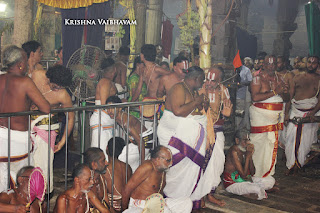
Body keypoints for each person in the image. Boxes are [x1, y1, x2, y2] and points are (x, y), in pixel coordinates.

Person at [158, 66, 216, 210]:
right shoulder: (178, 88)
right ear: (195, 79)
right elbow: (178, 111)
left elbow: (192, 111)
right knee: (175, 168)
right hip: (173, 135)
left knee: (191, 167)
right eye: (202, 80)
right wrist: (196, 102)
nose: (203, 83)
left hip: (185, 134)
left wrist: (202, 104)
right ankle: (173, 197)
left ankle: (188, 198)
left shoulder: (191, 90)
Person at [0, 46, 50, 193]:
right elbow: (46, 107)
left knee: (2, 178)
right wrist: (28, 105)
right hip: (18, 139)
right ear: (20, 64)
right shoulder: (24, 81)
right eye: (25, 61)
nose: (28, 64)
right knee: (22, 180)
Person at [30, 65, 74, 194]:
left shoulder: (63, 95)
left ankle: (41, 193)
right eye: (55, 85)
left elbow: (71, 118)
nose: (57, 89)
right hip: (26, 126)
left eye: (60, 87)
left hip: (46, 130)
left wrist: (62, 141)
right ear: (50, 77)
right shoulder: (37, 75)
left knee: (43, 165)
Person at [250, 55, 289, 182]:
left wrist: (284, 91)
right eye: (268, 64)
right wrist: (275, 92)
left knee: (271, 146)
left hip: (274, 119)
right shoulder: (257, 79)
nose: (271, 66)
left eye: (274, 64)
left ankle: (267, 178)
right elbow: (255, 98)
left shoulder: (280, 78)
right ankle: (257, 176)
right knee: (259, 145)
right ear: (264, 65)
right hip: (260, 117)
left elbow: (287, 98)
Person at [198, 66, 233, 207]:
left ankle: (210, 193)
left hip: (218, 131)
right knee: (201, 163)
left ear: (220, 81)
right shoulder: (199, 88)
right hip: (202, 131)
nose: (209, 83)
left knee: (217, 162)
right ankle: (199, 195)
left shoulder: (223, 90)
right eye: (207, 79)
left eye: (213, 81)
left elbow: (226, 111)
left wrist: (226, 114)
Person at [122, 145, 192, 213]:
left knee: (186, 202)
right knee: (166, 210)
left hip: (156, 204)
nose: (171, 163)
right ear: (158, 159)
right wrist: (124, 209)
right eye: (168, 160)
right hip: (140, 206)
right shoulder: (147, 167)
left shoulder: (162, 170)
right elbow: (127, 189)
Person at [284, 56, 320, 175]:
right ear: (306, 63)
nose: (311, 65)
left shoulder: (319, 79)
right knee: (290, 138)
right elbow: (289, 98)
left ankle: (299, 164)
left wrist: (313, 113)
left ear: (317, 65)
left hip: (310, 113)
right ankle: (291, 164)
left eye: (314, 63)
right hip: (296, 111)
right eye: (309, 62)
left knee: (306, 141)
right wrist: (286, 114)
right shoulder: (297, 78)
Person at [105, 96, 154, 172]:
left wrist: (142, 165)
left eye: (112, 108)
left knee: (121, 159)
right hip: (140, 142)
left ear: (120, 108)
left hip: (145, 142)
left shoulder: (125, 122)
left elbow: (141, 142)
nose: (109, 111)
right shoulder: (118, 118)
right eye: (108, 108)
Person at [223, 129, 275, 200]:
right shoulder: (234, 151)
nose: (248, 143)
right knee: (256, 189)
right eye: (245, 140)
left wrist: (250, 156)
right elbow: (243, 176)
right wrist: (247, 156)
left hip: (246, 180)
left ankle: (251, 190)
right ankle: (253, 190)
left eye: (248, 140)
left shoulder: (245, 149)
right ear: (237, 140)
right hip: (233, 184)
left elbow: (252, 173)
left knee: (270, 180)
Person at [90, 58, 118, 155]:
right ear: (114, 69)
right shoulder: (105, 82)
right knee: (101, 152)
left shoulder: (107, 81)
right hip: (102, 120)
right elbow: (104, 103)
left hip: (106, 120)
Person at [104, 137, 132, 212]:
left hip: (113, 208)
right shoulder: (127, 167)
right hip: (127, 205)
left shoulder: (105, 169)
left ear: (107, 148)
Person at [83, 148, 115, 212]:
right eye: (103, 160)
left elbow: (107, 205)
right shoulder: (85, 183)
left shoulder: (101, 178)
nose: (107, 163)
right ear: (94, 164)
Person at [276, 56, 294, 149]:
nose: (277, 65)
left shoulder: (289, 75)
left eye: (278, 62)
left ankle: (284, 152)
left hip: (285, 105)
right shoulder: (273, 74)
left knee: (284, 132)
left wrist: (286, 113)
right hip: (274, 106)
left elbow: (290, 96)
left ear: (284, 63)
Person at [235, 62, 252, 131]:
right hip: (233, 96)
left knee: (240, 114)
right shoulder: (233, 69)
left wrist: (242, 84)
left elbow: (250, 81)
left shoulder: (246, 70)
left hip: (241, 96)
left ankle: (239, 130)